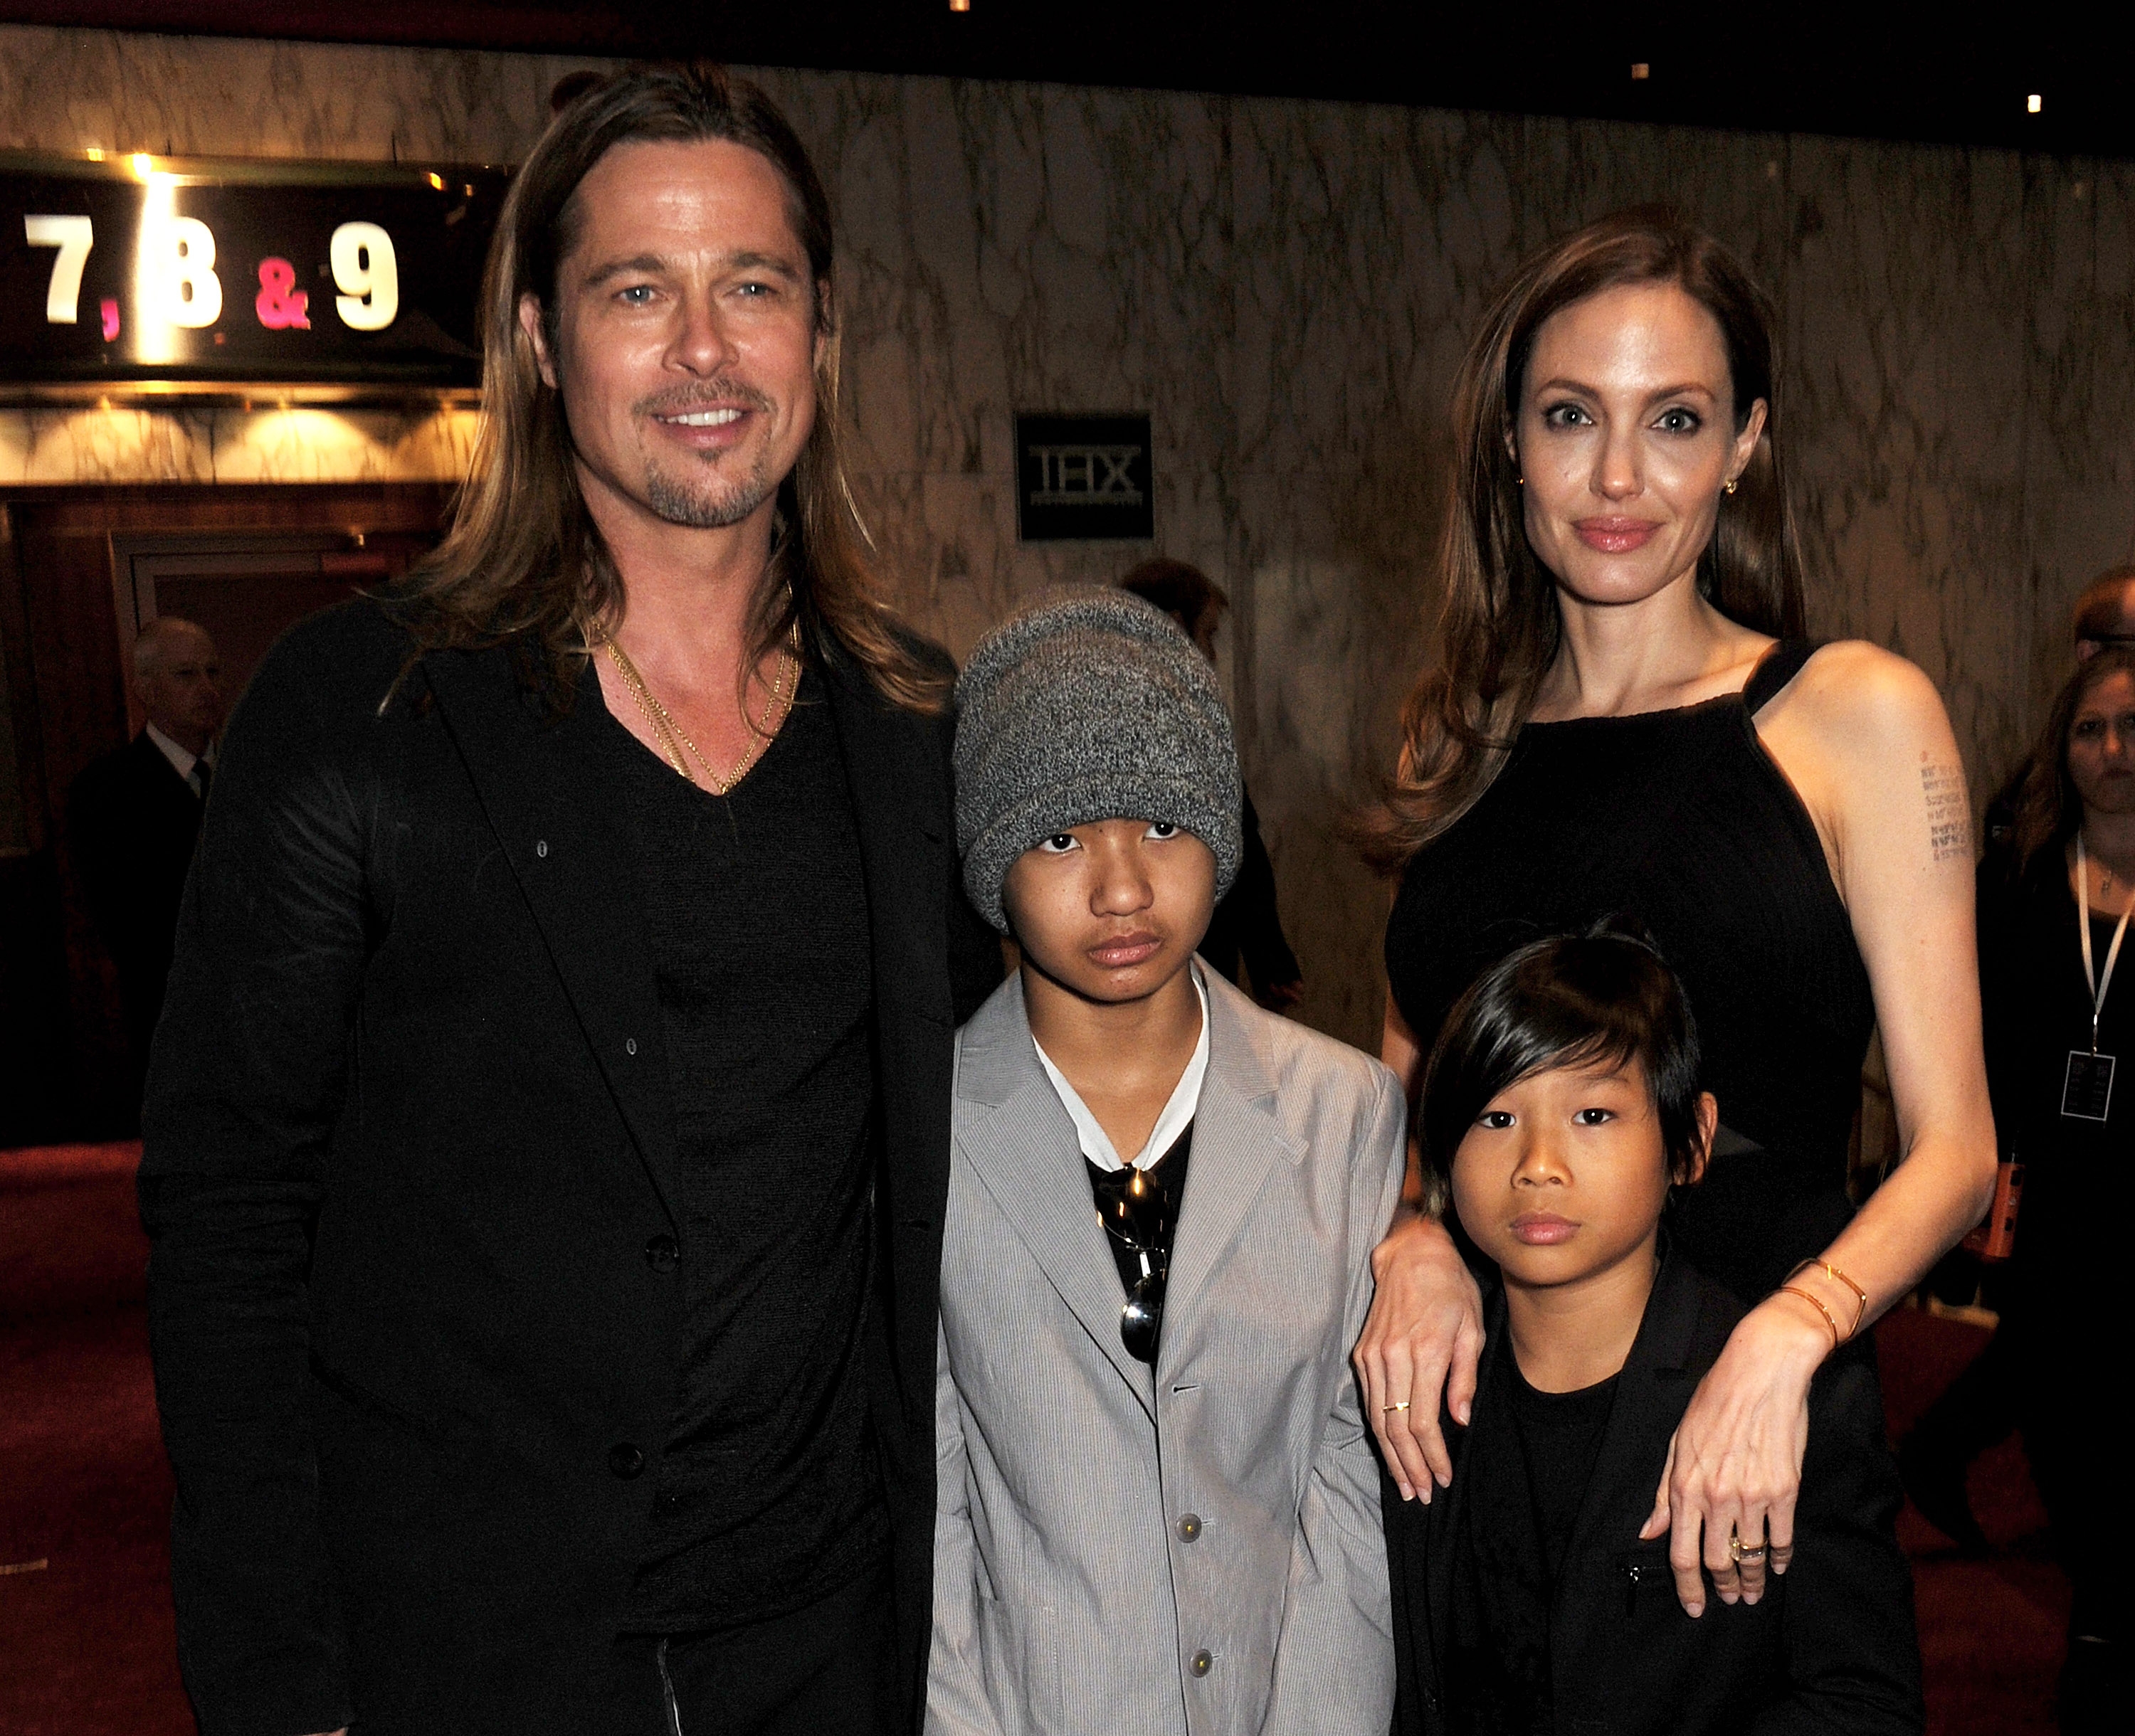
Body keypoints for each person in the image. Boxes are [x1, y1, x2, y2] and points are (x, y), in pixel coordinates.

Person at [138, 63, 998, 1736]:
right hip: (473, 1653)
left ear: (821, 334)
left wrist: (1388, 1212)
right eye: (638, 291)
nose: (705, 349)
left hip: (833, 1643)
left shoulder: (914, 730)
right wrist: (281, 1680)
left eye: (754, 287)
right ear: (541, 340)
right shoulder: (356, 708)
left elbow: (1072, 1065)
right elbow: (232, 1217)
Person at [1354, 208, 1997, 1621]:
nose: (1618, 475)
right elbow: (1407, 1095)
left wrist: (1790, 1337)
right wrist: (1409, 1231)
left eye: (1677, 419)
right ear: (1508, 439)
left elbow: (1956, 1151)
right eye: (1571, 414)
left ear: (1746, 443)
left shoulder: (1855, 716)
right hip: (1483, 1423)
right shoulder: (1453, 742)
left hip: (1749, 1424)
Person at [929, 591, 1402, 1735]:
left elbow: (1350, 1473)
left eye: (1162, 825)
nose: (1123, 888)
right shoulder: (926, 1129)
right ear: (993, 861)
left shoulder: (1344, 1112)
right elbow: (929, 1496)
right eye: (1060, 838)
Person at [1388, 928, 1922, 1735]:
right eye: (1495, 1118)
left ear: (1692, 1142)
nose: (1538, 1162)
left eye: (1592, 1114)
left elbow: (1865, 1702)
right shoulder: (1414, 1367)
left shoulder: (1795, 1403)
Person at [1949, 647, 2131, 1731]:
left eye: (2133, 728)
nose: (2112, 751)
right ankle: (2101, 1604)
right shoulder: (2019, 881)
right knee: (2059, 1406)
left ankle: (2102, 1622)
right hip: (2052, 1194)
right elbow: (1977, 1037)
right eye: (2089, 730)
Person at [1118, 556, 1304, 1010]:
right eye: (1209, 635)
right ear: (1176, 626)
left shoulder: (1098, 716)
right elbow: (1239, 844)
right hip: (1192, 957)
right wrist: (1269, 956)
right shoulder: (1184, 720)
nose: (1213, 654)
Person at [66, 616, 225, 1106]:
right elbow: (131, 928)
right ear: (147, 689)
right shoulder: (106, 791)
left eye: (212, 672)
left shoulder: (249, 780)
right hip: (175, 1023)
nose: (207, 689)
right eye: (186, 675)